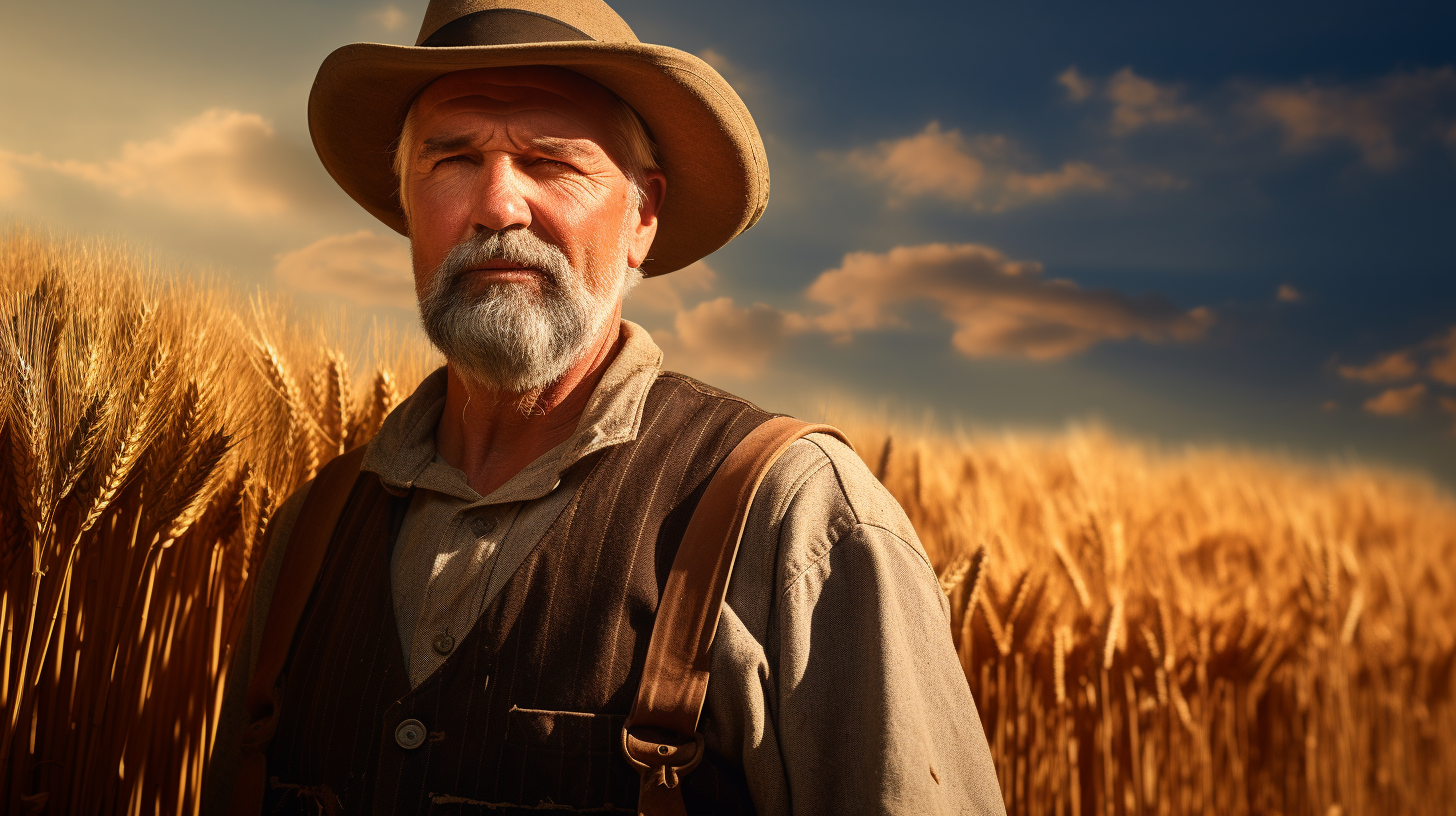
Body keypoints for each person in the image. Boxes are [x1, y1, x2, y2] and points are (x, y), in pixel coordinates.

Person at [204, 1, 1006, 814]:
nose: (498, 206)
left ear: (643, 215)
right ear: (407, 201)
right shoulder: (314, 528)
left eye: (549, 161)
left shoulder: (795, 515)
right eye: (451, 159)